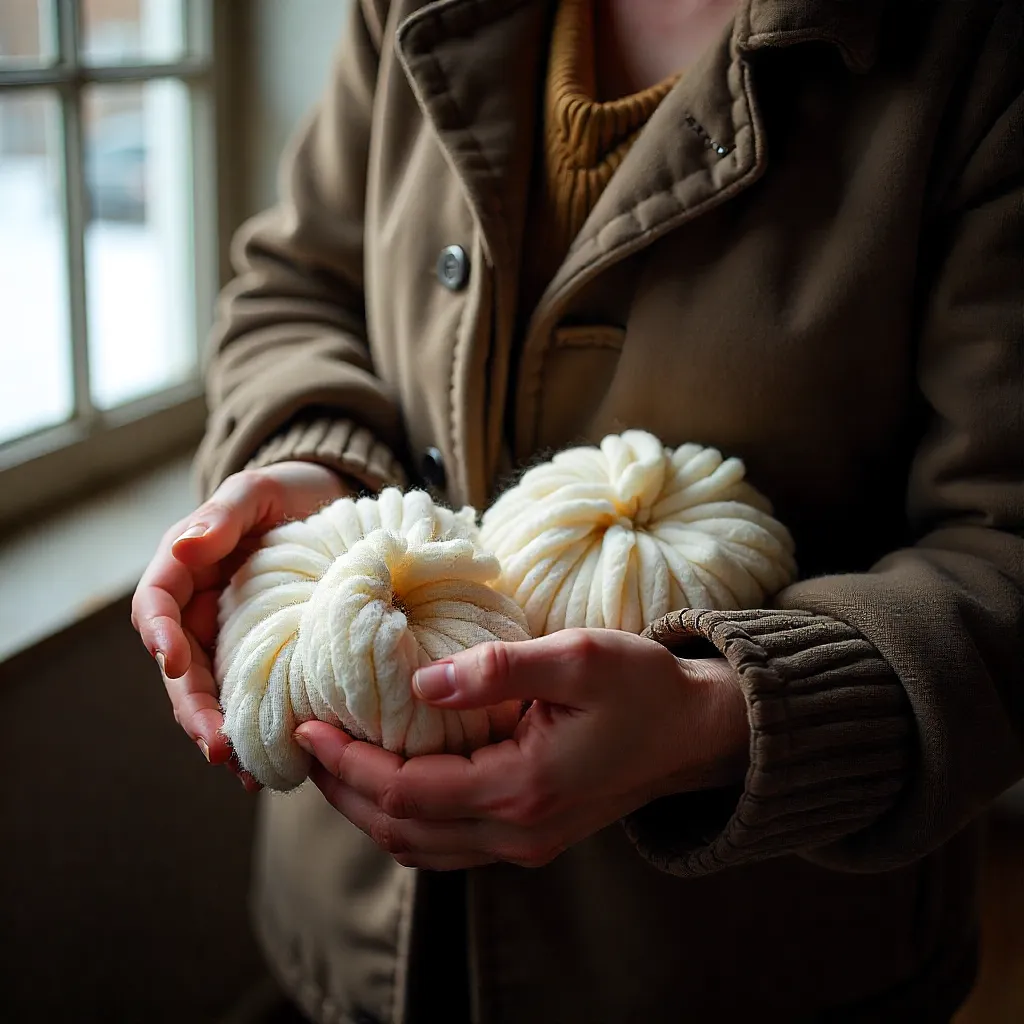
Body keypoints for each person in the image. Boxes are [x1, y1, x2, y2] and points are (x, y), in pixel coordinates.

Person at [132, 0, 1024, 1020]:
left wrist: (722, 719)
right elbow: (299, 283)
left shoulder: (981, 49)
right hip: (360, 935)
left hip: (749, 962)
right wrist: (318, 468)